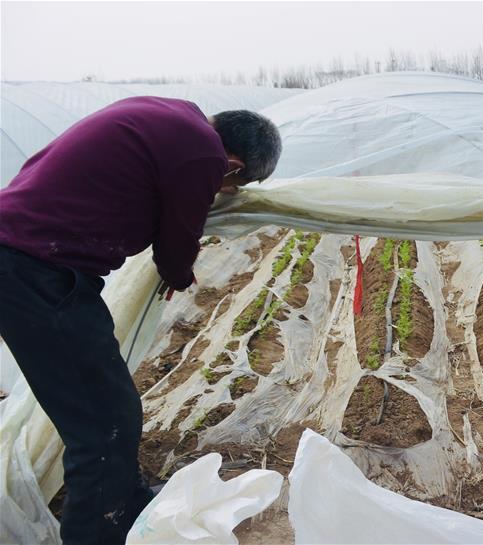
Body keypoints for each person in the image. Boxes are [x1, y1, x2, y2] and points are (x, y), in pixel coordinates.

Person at [0, 97, 281, 545]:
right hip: (36, 271)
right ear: (233, 166)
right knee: (103, 421)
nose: (219, 189)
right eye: (228, 185)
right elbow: (178, 239)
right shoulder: (202, 152)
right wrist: (180, 274)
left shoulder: (166, 115)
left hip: (24, 253)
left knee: (114, 407)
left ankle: (128, 504)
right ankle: (96, 533)